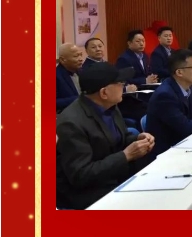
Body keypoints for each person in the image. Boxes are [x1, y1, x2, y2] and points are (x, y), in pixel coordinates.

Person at [56, 63, 155, 209]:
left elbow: (120, 139)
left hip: (114, 177)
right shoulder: (71, 123)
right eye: (120, 83)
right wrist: (126, 155)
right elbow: (81, 175)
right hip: (87, 192)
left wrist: (138, 140)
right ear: (104, 92)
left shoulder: (110, 106)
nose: (124, 86)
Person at [56, 43, 84, 112]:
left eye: (81, 55)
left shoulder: (82, 71)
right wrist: (79, 99)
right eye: (76, 56)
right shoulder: (56, 75)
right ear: (63, 60)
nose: (81, 59)